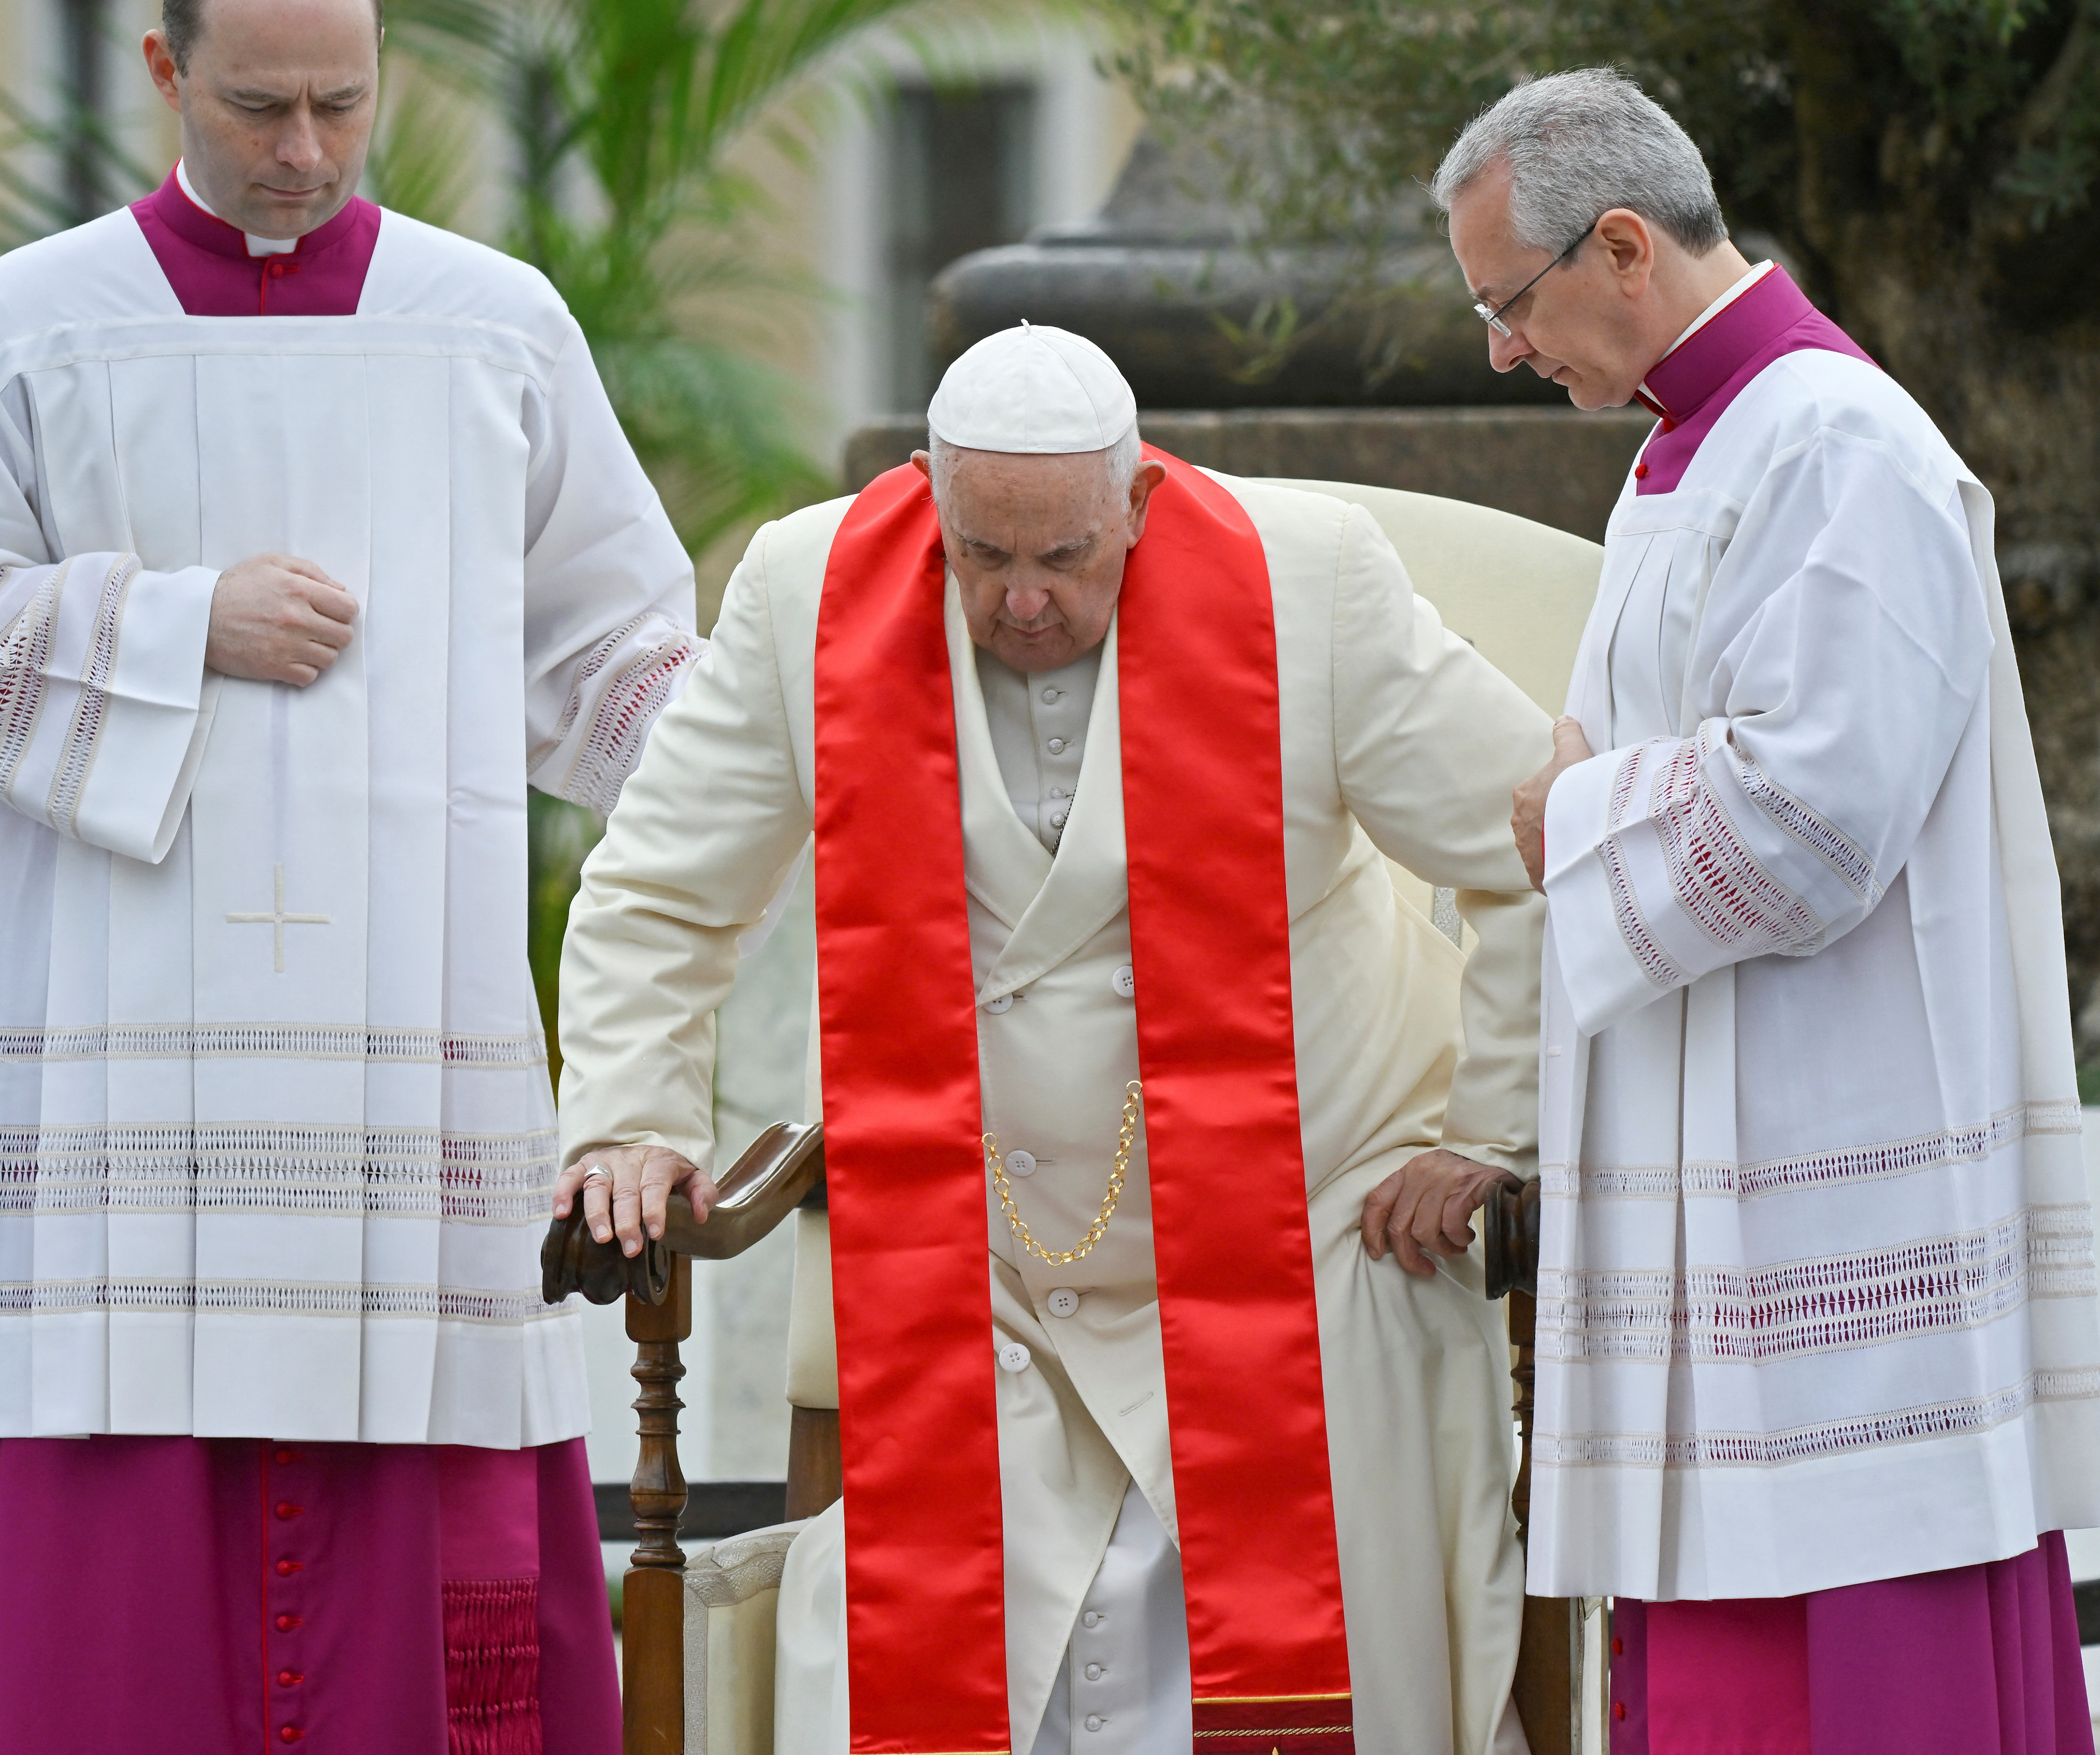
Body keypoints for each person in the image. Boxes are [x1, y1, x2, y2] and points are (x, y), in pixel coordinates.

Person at [0, 0, 697, 1748]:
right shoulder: (19, 327)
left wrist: (784, 752)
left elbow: (616, 640)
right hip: (123, 1066)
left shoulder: (494, 328)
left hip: (412, 1048)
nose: (302, 151)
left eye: (341, 104)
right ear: (164, 78)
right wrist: (175, 626)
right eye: (256, 106)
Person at [557, 323, 1554, 1755]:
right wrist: (630, 1120)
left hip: (1306, 1236)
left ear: (1140, 501)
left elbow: (1528, 839)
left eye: (1067, 558)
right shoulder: (804, 589)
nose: (1022, 601)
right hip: (981, 1263)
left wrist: (1488, 1129)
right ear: (925, 494)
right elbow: (661, 888)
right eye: (981, 556)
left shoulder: (1308, 581)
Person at [1435, 67, 2100, 1753]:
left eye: (1507, 305)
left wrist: (1570, 813)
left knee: (1854, 1665)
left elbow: (1821, 810)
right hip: (1712, 1195)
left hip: (1825, 1197)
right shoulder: (1695, 446)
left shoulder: (1839, 443)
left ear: (1617, 246)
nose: (1502, 352)